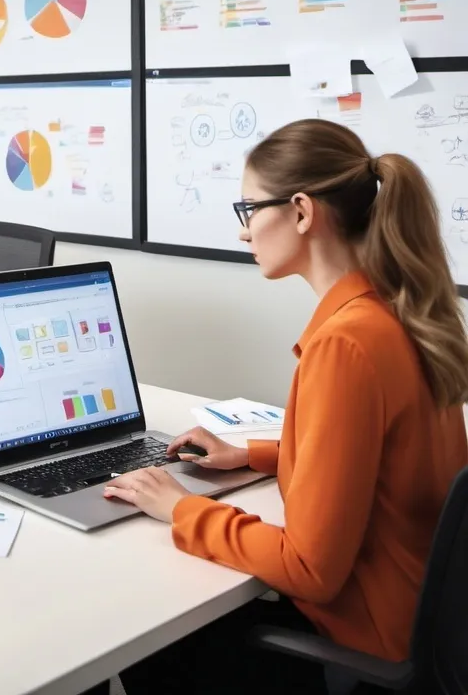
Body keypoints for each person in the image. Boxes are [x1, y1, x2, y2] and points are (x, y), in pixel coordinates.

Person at [104, 119, 468, 694]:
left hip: (364, 646)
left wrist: (179, 507)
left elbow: (309, 570)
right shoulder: (398, 310)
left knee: (146, 640)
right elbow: (375, 459)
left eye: (248, 209)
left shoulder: (346, 345)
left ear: (301, 211)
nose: (244, 233)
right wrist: (254, 453)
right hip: (414, 620)